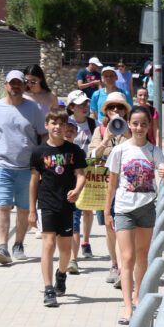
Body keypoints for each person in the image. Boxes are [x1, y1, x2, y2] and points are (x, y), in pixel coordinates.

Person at [105, 106, 164, 324]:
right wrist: (107, 211)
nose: (139, 128)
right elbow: (112, 183)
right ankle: (127, 306)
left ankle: (138, 298)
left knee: (142, 256)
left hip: (146, 208)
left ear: (148, 126)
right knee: (127, 258)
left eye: (143, 124)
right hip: (124, 208)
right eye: (134, 123)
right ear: (128, 125)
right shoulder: (120, 151)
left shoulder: (154, 151)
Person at [0, 70, 48, 263]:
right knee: (2, 205)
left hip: (26, 168)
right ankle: (2, 246)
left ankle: (19, 243)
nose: (15, 86)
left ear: (24, 86)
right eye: (11, 83)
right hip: (0, 165)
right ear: (5, 85)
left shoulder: (34, 109)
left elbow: (43, 135)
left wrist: (42, 164)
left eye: (19, 83)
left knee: (23, 209)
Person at [28, 108, 86, 306]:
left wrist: (77, 190)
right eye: (53, 123)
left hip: (67, 204)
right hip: (47, 203)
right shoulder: (38, 152)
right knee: (48, 244)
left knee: (65, 250)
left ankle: (61, 274)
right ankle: (48, 288)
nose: (57, 127)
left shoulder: (74, 151)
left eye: (61, 124)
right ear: (47, 125)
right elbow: (34, 181)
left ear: (66, 127)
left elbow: (81, 174)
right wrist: (31, 210)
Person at [89, 92, 132, 285]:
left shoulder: (131, 128)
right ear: (106, 110)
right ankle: (115, 264)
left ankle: (124, 268)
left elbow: (138, 150)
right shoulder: (100, 130)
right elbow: (91, 157)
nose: (116, 111)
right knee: (110, 227)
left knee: (124, 226)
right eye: (112, 107)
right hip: (105, 186)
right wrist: (106, 138)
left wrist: (127, 134)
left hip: (126, 186)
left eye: (120, 107)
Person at [66, 89, 96, 270]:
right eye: (80, 104)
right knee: (74, 212)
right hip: (70, 173)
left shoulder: (93, 124)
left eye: (86, 104)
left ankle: (85, 241)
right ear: (71, 107)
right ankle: (73, 253)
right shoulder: (65, 125)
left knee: (87, 210)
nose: (84, 107)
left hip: (89, 171)